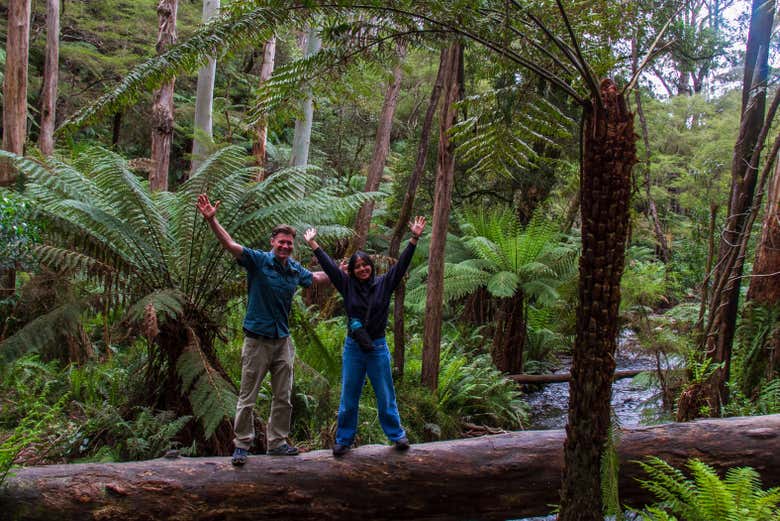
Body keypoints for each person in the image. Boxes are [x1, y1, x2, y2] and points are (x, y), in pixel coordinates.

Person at [196, 193, 329, 465]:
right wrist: (212, 221)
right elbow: (231, 244)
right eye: (281, 242)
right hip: (257, 341)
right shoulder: (257, 261)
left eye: (289, 244)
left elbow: (316, 278)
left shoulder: (293, 269)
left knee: (283, 396)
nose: (285, 247)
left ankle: (277, 442)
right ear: (273, 243)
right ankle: (242, 444)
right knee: (248, 395)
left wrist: (342, 272)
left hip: (282, 341)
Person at [303, 216, 426, 456]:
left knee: (385, 394)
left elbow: (400, 266)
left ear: (371, 266)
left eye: (365, 265)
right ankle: (344, 439)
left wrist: (414, 238)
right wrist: (313, 244)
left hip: (377, 347)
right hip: (354, 348)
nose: (362, 269)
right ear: (352, 269)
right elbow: (328, 266)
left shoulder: (384, 284)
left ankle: (397, 435)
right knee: (349, 395)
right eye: (357, 266)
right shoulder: (346, 284)